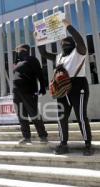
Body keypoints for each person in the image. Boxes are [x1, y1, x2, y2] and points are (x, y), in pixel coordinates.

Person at [37, 19, 94, 156]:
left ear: (72, 44)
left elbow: (80, 41)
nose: (64, 44)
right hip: (62, 88)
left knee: (81, 116)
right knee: (61, 117)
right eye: (62, 43)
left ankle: (87, 144)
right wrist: (39, 37)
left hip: (78, 86)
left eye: (66, 43)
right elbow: (44, 53)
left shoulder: (79, 52)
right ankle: (63, 143)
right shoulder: (59, 57)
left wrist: (68, 26)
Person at [13, 43, 48, 144]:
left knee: (33, 113)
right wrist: (16, 54)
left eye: (18, 50)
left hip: (29, 90)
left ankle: (43, 135)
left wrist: (42, 87)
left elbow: (39, 74)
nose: (17, 52)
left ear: (24, 49)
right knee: (21, 115)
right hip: (17, 92)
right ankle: (26, 137)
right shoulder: (18, 62)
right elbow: (15, 64)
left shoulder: (32, 59)